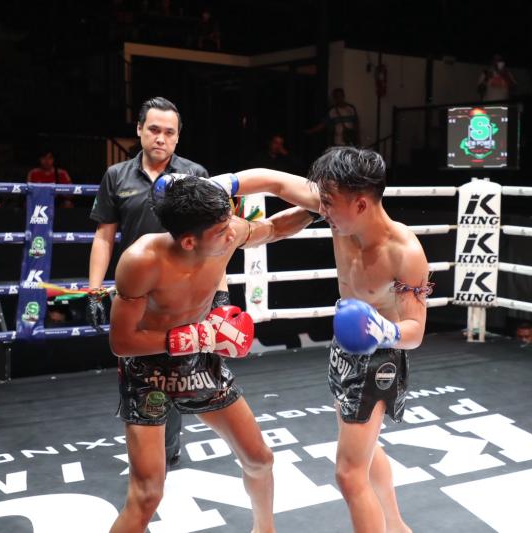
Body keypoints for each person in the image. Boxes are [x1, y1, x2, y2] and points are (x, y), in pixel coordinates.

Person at [231, 146, 428, 532]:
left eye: (329, 204)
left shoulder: (404, 252)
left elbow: (415, 330)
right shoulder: (337, 205)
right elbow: (273, 181)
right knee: (366, 451)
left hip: (380, 357)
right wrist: (223, 185)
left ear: (360, 204)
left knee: (349, 474)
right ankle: (397, 526)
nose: (322, 211)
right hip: (344, 349)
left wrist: (381, 330)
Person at [108, 175, 313, 532]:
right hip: (147, 371)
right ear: (189, 241)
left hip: (200, 362)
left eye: (229, 223)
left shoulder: (227, 230)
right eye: (221, 231)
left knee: (260, 460)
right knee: (147, 494)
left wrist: (319, 209)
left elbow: (274, 228)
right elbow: (123, 342)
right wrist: (198, 336)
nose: (232, 234)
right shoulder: (142, 260)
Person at [88, 97, 209, 468]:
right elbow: (104, 236)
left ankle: (167, 450)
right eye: (154, 129)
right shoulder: (117, 176)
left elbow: (211, 237)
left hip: (182, 291)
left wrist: (217, 293)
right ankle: (147, 449)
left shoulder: (195, 175)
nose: (161, 138)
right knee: (136, 368)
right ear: (139, 129)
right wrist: (94, 289)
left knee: (178, 370)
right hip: (136, 293)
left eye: (169, 132)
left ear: (178, 137)